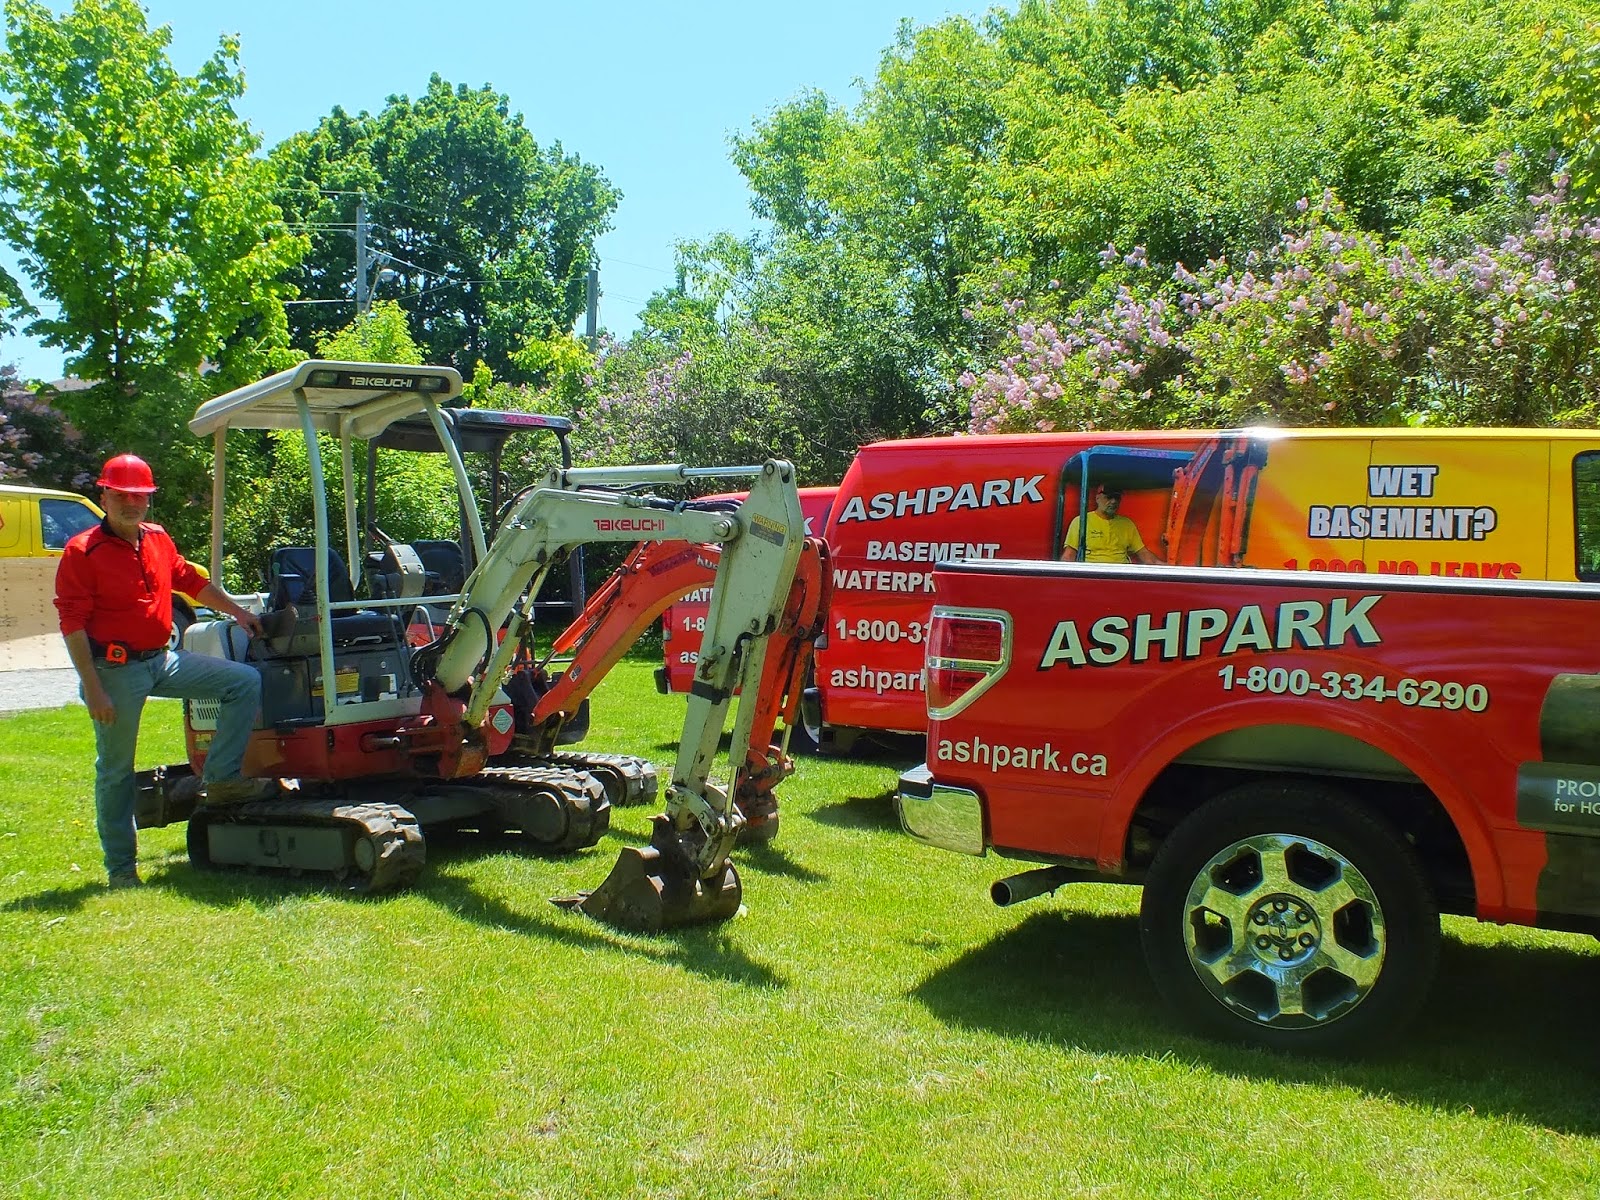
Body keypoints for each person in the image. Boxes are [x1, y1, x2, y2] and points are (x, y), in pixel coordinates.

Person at [54, 453, 271, 890]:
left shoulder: (156, 538)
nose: (132, 504)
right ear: (105, 496)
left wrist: (238, 613)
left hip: (162, 659)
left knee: (242, 681)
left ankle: (221, 778)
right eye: (122, 495)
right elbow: (72, 624)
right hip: (113, 670)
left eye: (140, 496)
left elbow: (191, 581)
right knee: (116, 770)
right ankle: (121, 869)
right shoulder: (82, 551)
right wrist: (94, 690)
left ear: (148, 501)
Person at [1062, 485, 1163, 565]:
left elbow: (1143, 554)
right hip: (1092, 575)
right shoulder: (1081, 521)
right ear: (1097, 498)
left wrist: (1165, 567)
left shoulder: (1127, 523)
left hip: (1121, 576)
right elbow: (1069, 556)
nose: (1114, 501)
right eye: (1109, 497)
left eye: (1117, 497)